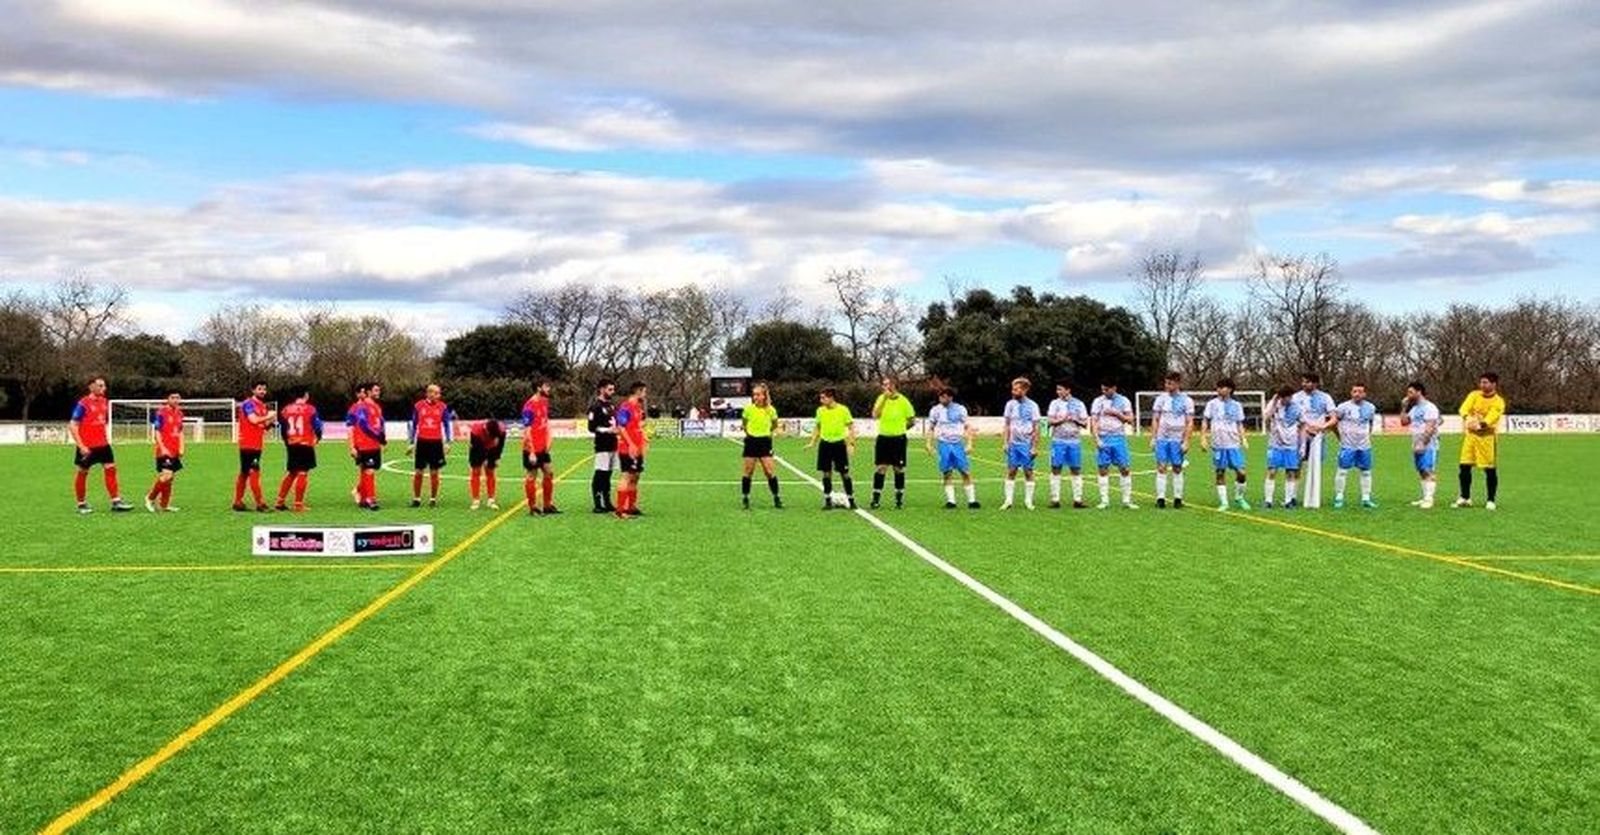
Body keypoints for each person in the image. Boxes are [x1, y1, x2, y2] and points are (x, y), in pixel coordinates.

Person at [69, 377, 132, 514]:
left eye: (104, 385)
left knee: (111, 469)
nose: (104, 388)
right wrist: (81, 446)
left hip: (103, 444)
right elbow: (73, 425)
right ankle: (81, 504)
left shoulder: (104, 402)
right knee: (83, 473)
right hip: (87, 446)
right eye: (100, 386)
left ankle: (116, 501)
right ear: (91, 387)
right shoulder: (83, 404)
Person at [1456, 372, 1507, 510]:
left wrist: (1481, 424)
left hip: (1487, 438)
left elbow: (1492, 416)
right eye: (1481, 382)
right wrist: (1467, 418)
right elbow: (1464, 408)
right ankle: (1465, 497)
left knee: (1489, 469)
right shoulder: (1474, 395)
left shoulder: (1498, 401)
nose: (1482, 385)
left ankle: (1491, 500)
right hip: (1471, 437)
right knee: (1464, 466)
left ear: (1493, 384)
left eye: (1486, 382)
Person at [1201, 378, 1251, 511]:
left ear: (1229, 389)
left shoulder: (1237, 405)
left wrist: (1244, 439)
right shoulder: (1211, 404)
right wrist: (1204, 438)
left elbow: (1240, 423)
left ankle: (1239, 497)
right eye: (1218, 387)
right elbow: (1205, 421)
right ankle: (1224, 502)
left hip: (1233, 444)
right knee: (1220, 472)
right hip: (1218, 444)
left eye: (1222, 387)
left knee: (1241, 472)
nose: (1219, 390)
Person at [925, 387, 979, 509]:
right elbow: (931, 428)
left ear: (951, 397)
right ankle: (951, 501)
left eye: (946, 396)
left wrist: (969, 443)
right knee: (947, 472)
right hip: (943, 444)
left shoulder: (960, 409)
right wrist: (928, 444)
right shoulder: (935, 410)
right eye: (941, 396)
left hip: (957, 444)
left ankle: (972, 501)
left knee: (965, 471)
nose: (943, 399)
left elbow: (967, 427)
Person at [1147, 372, 1194, 510]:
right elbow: (1155, 419)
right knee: (1161, 467)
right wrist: (1153, 438)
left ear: (1178, 384)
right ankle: (1160, 498)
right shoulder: (1160, 399)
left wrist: (1186, 441)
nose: (1167, 386)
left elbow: (1189, 422)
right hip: (1162, 438)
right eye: (1166, 383)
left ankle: (1178, 498)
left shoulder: (1187, 400)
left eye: (1170, 383)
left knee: (1177, 467)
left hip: (1177, 439)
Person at [805, 387, 856, 510]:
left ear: (831, 398)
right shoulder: (820, 411)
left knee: (845, 474)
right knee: (826, 473)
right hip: (825, 444)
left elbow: (851, 427)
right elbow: (818, 427)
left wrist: (851, 444)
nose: (821, 400)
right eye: (821, 397)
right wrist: (812, 442)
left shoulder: (843, 410)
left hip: (839, 444)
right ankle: (827, 500)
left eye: (823, 397)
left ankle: (851, 500)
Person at [870, 377, 917, 509]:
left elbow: (912, 420)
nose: (884, 387)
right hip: (883, 438)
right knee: (881, 468)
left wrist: (901, 429)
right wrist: (884, 399)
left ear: (894, 386)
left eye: (887, 384)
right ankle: (875, 499)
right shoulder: (881, 399)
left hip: (899, 439)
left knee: (898, 468)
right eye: (883, 385)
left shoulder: (903, 401)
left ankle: (899, 499)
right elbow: (875, 415)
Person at [1292, 373, 1337, 507]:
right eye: (1303, 382)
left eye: (1307, 382)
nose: (1304, 384)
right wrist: (1303, 427)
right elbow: (1291, 416)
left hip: (1318, 437)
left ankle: (1314, 496)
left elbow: (1334, 418)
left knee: (1316, 464)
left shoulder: (1325, 397)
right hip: (1300, 435)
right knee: (1296, 465)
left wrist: (1322, 427)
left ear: (1315, 383)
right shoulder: (1296, 397)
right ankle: (1293, 496)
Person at [1091, 379, 1137, 510]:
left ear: (1114, 388)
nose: (1104, 392)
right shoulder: (1097, 401)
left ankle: (1126, 501)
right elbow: (1094, 421)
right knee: (1103, 469)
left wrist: (1117, 414)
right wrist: (1097, 439)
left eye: (1107, 389)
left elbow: (1130, 419)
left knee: (1125, 468)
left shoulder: (1124, 401)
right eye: (1102, 389)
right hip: (1103, 437)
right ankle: (1104, 501)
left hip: (1119, 438)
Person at [274, 389, 322, 512]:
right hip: (305, 443)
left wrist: (287, 442)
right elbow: (317, 426)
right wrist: (318, 437)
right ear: (306, 395)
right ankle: (298, 504)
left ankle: (280, 501)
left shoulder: (286, 409)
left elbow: (283, 429)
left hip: (291, 443)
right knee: (302, 473)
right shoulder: (310, 409)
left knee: (292, 472)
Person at [1331, 383, 1378, 509]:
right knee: (1342, 471)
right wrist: (1339, 437)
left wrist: (1367, 436)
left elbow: (1371, 423)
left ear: (1365, 394)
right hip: (1347, 445)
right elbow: (1334, 423)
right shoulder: (1343, 407)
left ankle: (1366, 498)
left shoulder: (1371, 407)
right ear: (1351, 393)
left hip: (1364, 446)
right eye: (1355, 391)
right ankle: (1339, 497)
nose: (1357, 394)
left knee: (1366, 472)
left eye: (1360, 391)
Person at [408, 383, 454, 508]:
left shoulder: (443, 407)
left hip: (436, 443)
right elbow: (414, 424)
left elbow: (446, 425)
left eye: (439, 393)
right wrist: (411, 443)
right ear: (429, 393)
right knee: (418, 472)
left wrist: (448, 442)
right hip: (422, 442)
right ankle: (416, 498)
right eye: (437, 393)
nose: (439, 395)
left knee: (434, 472)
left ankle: (433, 498)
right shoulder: (418, 406)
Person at [233, 381, 277, 512]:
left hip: (257, 444)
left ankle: (237, 502)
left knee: (244, 473)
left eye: (264, 389)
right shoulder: (248, 404)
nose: (263, 391)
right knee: (254, 472)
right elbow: (253, 420)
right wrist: (268, 415)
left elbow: (262, 426)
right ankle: (260, 504)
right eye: (260, 389)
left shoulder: (262, 406)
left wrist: (270, 422)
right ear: (253, 390)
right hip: (248, 444)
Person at [1046, 381, 1090, 509]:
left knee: (1075, 469)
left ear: (1068, 390)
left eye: (1060, 389)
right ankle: (1055, 499)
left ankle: (1078, 500)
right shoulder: (1054, 403)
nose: (1058, 392)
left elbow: (1085, 423)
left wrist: (1075, 419)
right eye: (1057, 389)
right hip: (1058, 440)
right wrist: (1061, 419)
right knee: (1056, 468)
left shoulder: (1079, 404)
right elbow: (1049, 421)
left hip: (1074, 441)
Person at [739, 383, 782, 510]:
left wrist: (766, 433)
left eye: (758, 394)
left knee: (769, 472)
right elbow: (744, 424)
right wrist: (750, 434)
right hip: (751, 442)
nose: (755, 397)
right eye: (754, 395)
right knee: (748, 472)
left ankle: (776, 497)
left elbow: (774, 425)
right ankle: (745, 497)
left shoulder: (771, 410)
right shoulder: (748, 409)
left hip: (765, 442)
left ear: (764, 396)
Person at [1262, 385, 1305, 509]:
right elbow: (1266, 417)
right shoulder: (1274, 405)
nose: (1288, 399)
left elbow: (1303, 426)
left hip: (1291, 445)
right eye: (1285, 397)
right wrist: (1275, 400)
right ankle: (1268, 500)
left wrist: (1301, 445)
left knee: (1291, 472)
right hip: (1275, 444)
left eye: (1290, 397)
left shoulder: (1297, 408)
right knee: (1272, 471)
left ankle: (1288, 501)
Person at [1001, 377, 1040, 510]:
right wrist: (1005, 442)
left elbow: (1036, 428)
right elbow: (1006, 425)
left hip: (1026, 444)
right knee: (1011, 471)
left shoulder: (1033, 406)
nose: (1013, 391)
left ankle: (1028, 501)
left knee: (1028, 472)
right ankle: (1008, 501)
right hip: (1013, 444)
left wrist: (1034, 447)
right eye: (1013, 389)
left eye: (1016, 389)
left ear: (1025, 390)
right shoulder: (1010, 405)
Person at [1400, 381, 1441, 509]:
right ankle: (1424, 497)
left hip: (1429, 445)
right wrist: (1403, 407)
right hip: (1416, 443)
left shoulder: (1430, 407)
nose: (1408, 395)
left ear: (1419, 392)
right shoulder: (1414, 408)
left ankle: (1429, 499)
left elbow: (1430, 427)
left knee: (1428, 470)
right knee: (1421, 470)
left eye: (1410, 392)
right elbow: (1404, 422)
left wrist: (1423, 443)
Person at [520, 381, 559, 515]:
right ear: (538, 388)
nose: (549, 388)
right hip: (531, 448)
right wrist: (531, 452)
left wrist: (549, 438)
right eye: (546, 386)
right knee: (532, 476)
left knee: (549, 472)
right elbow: (527, 431)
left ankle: (548, 505)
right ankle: (533, 507)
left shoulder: (544, 402)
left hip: (543, 447)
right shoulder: (528, 407)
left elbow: (546, 422)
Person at [348, 382, 385, 510]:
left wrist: (382, 439)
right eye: (376, 390)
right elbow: (362, 424)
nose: (378, 393)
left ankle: (361, 495)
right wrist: (352, 446)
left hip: (374, 444)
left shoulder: (377, 407)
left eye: (378, 390)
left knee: (366, 470)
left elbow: (380, 423)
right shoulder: (361, 407)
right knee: (369, 470)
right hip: (364, 444)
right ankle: (371, 499)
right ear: (369, 392)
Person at [614, 382, 649, 517]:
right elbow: (621, 428)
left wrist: (644, 439)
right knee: (627, 476)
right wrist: (631, 444)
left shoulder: (637, 407)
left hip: (637, 448)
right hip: (628, 448)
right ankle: (620, 510)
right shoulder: (625, 407)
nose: (645, 394)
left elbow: (636, 426)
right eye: (644, 391)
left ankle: (632, 506)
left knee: (636, 476)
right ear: (638, 391)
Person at [146, 391, 184, 513]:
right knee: (166, 475)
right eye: (173, 397)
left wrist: (182, 446)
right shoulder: (161, 413)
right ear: (167, 399)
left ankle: (164, 504)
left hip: (175, 449)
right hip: (164, 450)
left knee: (170, 478)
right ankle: (150, 498)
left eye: (177, 398)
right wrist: (162, 447)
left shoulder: (179, 413)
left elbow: (180, 431)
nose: (175, 400)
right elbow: (157, 431)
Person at [587, 379, 619, 514]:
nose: (612, 392)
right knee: (600, 473)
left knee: (608, 474)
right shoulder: (595, 406)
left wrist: (617, 429)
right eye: (609, 389)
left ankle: (607, 502)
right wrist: (607, 430)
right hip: (602, 445)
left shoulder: (611, 406)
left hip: (613, 444)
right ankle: (597, 503)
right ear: (601, 389)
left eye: (613, 389)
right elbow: (591, 427)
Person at [467, 418, 506, 510]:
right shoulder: (476, 430)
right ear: (486, 430)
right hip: (477, 448)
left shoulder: (501, 430)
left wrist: (496, 458)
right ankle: (475, 500)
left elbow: (500, 445)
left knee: (490, 471)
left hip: (492, 449)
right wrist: (484, 459)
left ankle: (491, 499)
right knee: (476, 471)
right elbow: (476, 447)